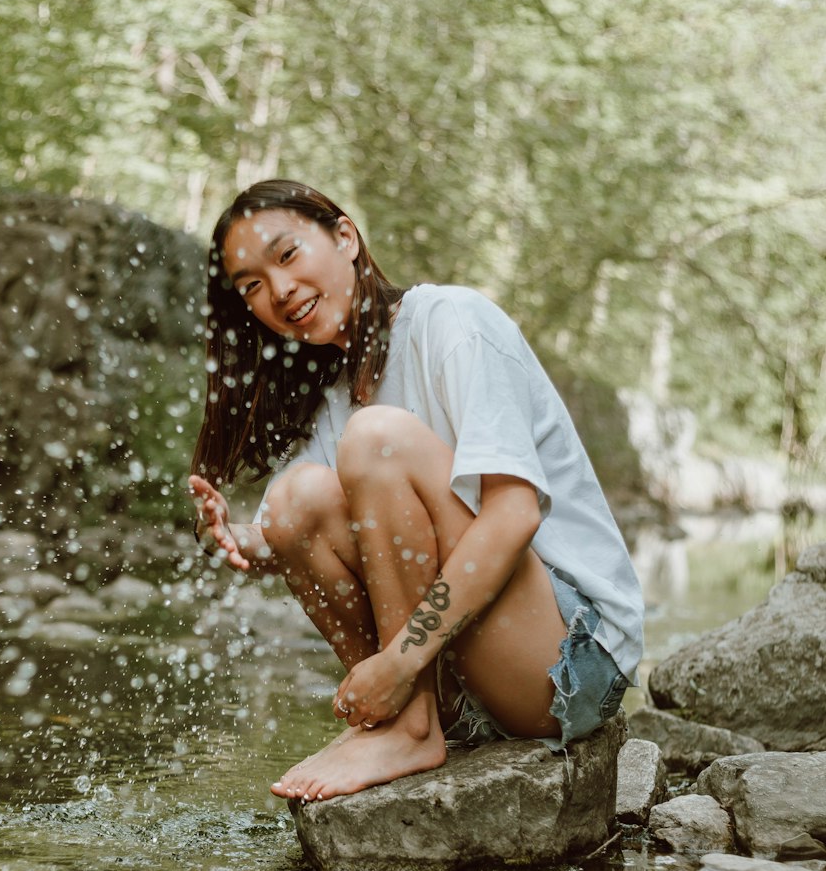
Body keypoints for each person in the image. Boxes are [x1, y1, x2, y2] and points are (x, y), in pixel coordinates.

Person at [188, 179, 644, 804]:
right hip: (474, 676)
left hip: (568, 660)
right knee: (297, 498)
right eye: (252, 285)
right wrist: (232, 539)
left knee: (377, 438)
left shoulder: (450, 322)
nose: (279, 290)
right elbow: (293, 538)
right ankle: (409, 721)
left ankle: (404, 722)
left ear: (345, 236)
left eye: (287, 255)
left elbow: (513, 515)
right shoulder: (332, 396)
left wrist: (399, 662)